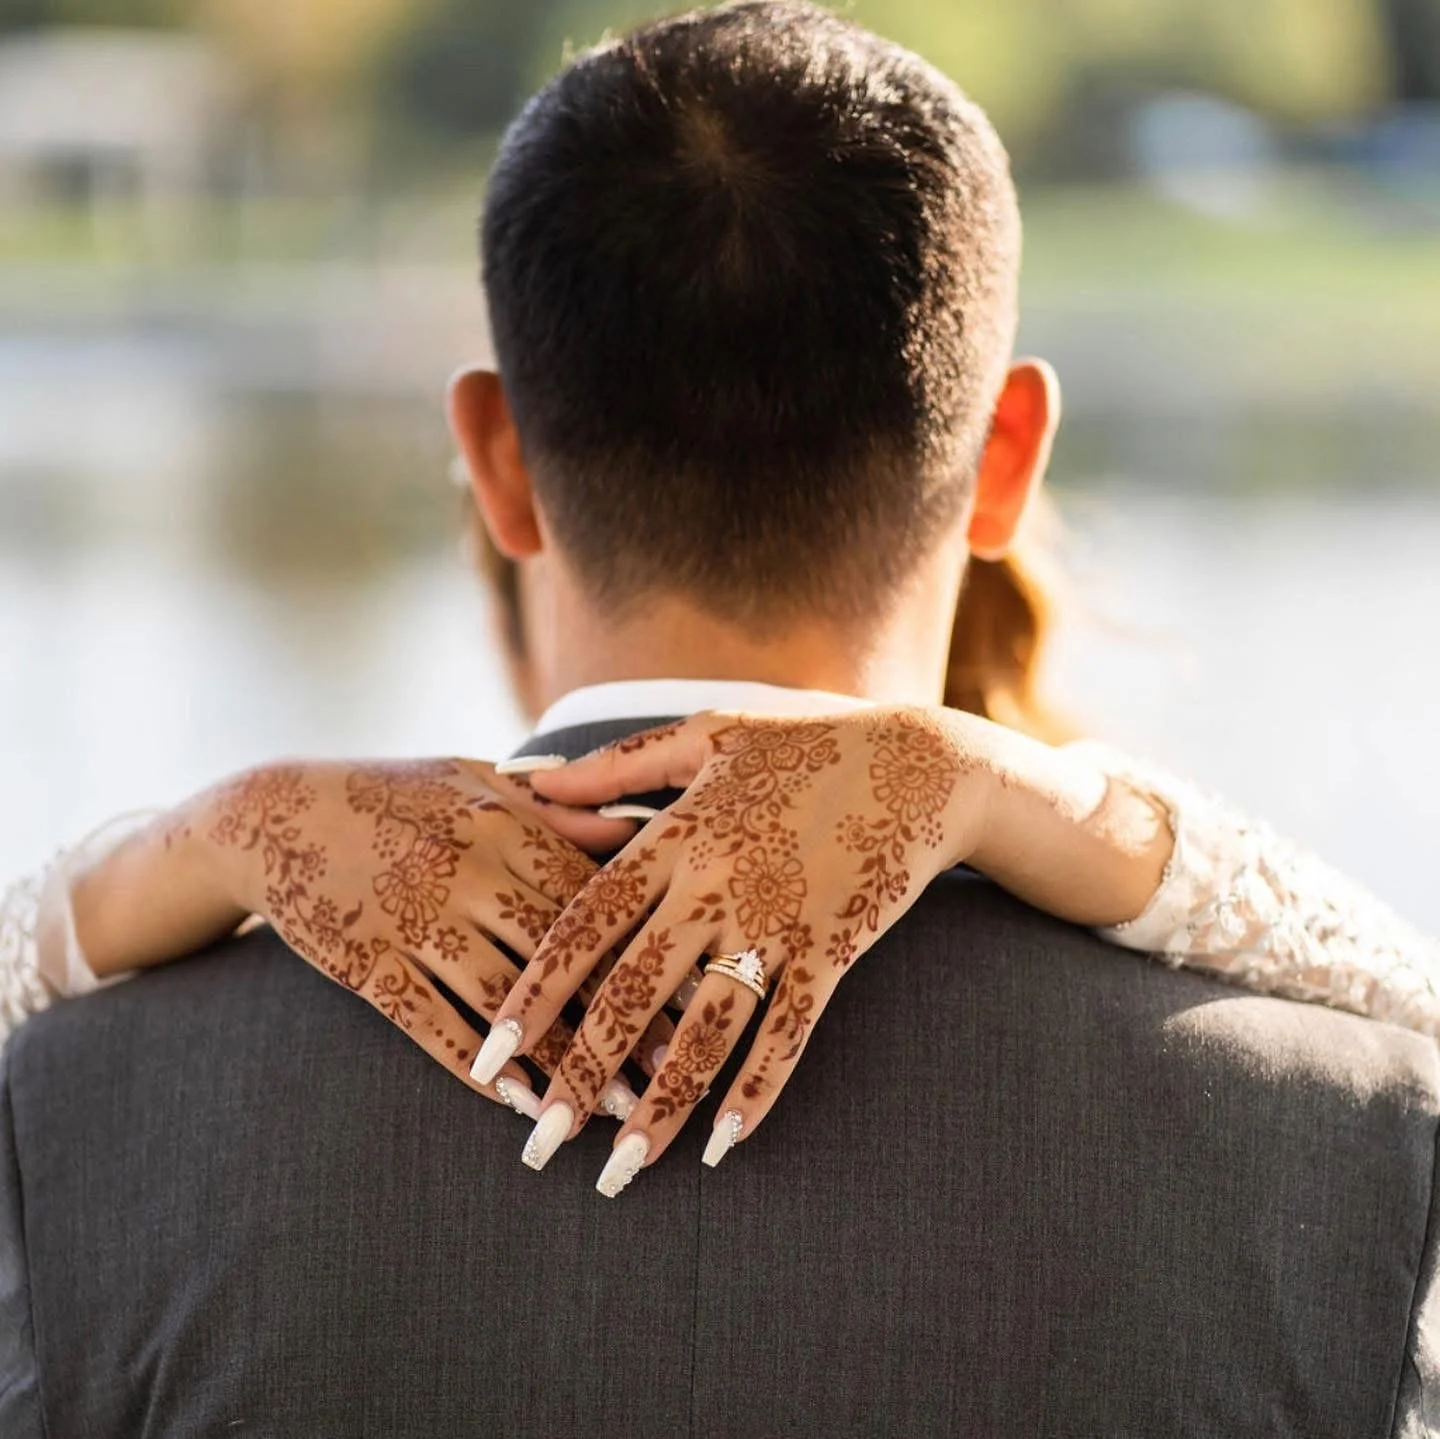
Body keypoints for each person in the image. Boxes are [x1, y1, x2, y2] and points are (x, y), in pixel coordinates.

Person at [2, 3, 1438, 1433]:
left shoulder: (81, 1123)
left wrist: (183, 847)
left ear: (497, 462)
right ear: (1006, 456)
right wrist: (1032, 798)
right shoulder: (1344, 1147)